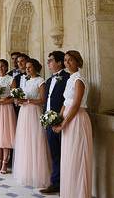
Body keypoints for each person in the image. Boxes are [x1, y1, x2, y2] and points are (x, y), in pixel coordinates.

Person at [53, 51, 93, 198]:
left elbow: (75, 105)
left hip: (77, 120)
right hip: (68, 120)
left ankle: (80, 194)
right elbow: (65, 103)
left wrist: (63, 124)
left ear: (78, 62)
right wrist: (56, 119)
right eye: (65, 60)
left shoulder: (79, 80)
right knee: (69, 158)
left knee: (78, 158)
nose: (67, 63)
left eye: (71, 60)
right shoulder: (70, 79)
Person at [13, 58, 51, 188]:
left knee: (36, 140)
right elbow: (24, 96)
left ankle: (39, 174)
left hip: (34, 112)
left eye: (29, 67)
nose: (27, 69)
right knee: (25, 141)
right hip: (24, 113)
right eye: (26, 67)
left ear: (35, 67)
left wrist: (28, 101)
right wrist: (19, 101)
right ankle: (27, 173)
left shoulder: (41, 81)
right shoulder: (27, 80)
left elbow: (42, 100)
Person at [40, 51, 70, 195]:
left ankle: (67, 184)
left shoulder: (68, 78)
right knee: (54, 154)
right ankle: (55, 183)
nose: (48, 63)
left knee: (66, 154)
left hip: (64, 122)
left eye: (51, 60)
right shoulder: (48, 80)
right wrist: (45, 118)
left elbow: (68, 102)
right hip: (49, 123)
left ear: (59, 62)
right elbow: (46, 101)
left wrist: (60, 119)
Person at [11, 53, 30, 118]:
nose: (20, 63)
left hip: (30, 105)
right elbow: (13, 91)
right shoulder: (16, 78)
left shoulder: (34, 76)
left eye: (22, 61)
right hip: (18, 106)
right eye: (18, 62)